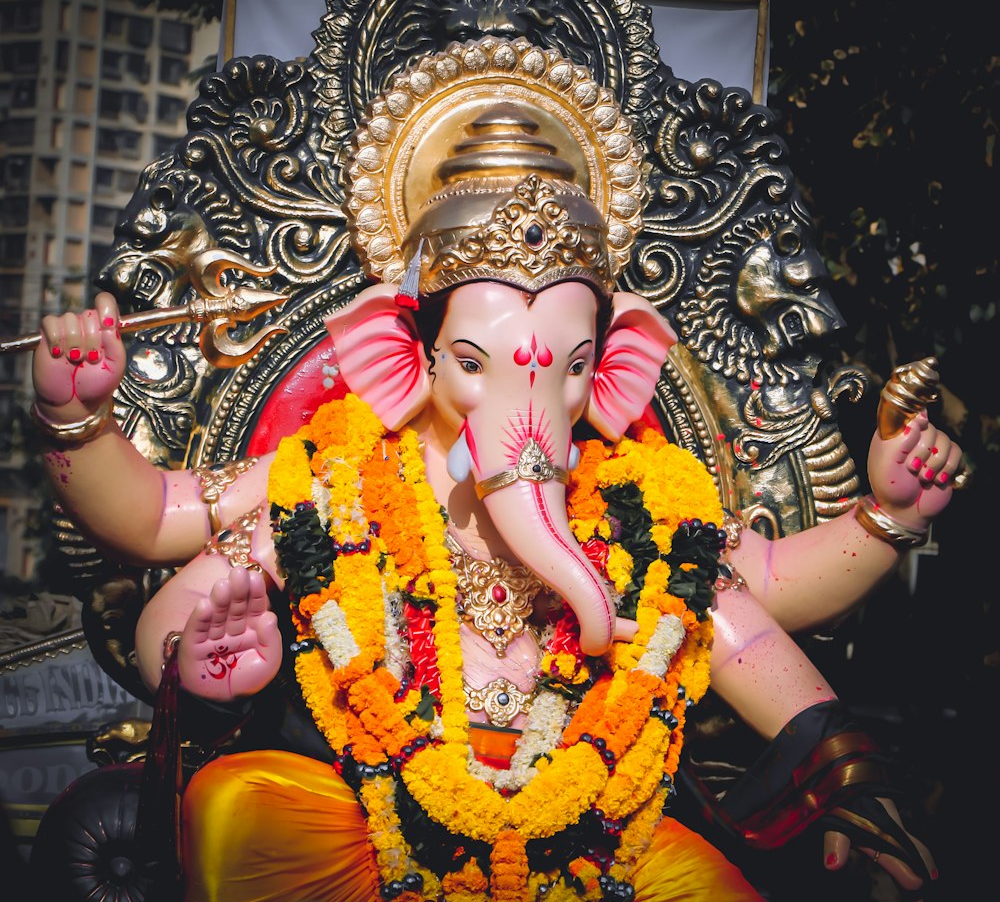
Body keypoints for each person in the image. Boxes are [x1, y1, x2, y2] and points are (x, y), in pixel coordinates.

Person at [29, 52, 959, 901]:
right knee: (236, 814)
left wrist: (887, 524)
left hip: (596, 851)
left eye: (570, 367)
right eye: (478, 364)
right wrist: (82, 426)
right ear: (407, 358)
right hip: (365, 834)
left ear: (613, 367)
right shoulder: (334, 480)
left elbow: (757, 604)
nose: (529, 402)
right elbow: (154, 520)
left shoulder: (640, 506)